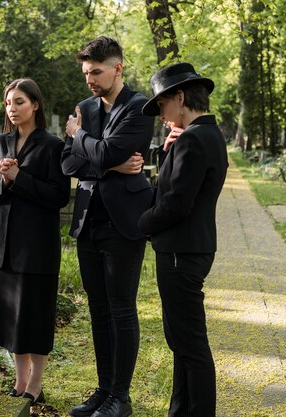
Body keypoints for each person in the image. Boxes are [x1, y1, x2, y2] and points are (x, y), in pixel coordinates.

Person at [61, 36, 154, 417]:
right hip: (88, 221)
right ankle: (103, 390)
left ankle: (121, 397)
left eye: (96, 72)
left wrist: (78, 136)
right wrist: (109, 161)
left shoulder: (139, 108)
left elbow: (100, 150)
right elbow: (68, 164)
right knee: (98, 309)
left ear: (118, 68)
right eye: (86, 73)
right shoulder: (85, 106)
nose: (90, 80)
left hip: (124, 223)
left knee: (121, 308)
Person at [138, 62, 228, 417]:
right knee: (181, 340)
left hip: (181, 249)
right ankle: (181, 411)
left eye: (162, 104)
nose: (160, 113)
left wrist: (141, 224)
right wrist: (166, 150)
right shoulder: (205, 135)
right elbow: (173, 186)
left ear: (179, 96)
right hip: (190, 247)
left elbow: (175, 203)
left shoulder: (193, 139)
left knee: (189, 343)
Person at [0, 78, 70, 406]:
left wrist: (21, 178)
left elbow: (59, 196)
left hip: (37, 246)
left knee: (35, 316)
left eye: (19, 102)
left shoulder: (53, 146)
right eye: (8, 103)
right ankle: (19, 381)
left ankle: (36, 383)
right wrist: (4, 181)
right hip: (4, 244)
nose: (12, 109)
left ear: (35, 105)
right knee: (11, 318)